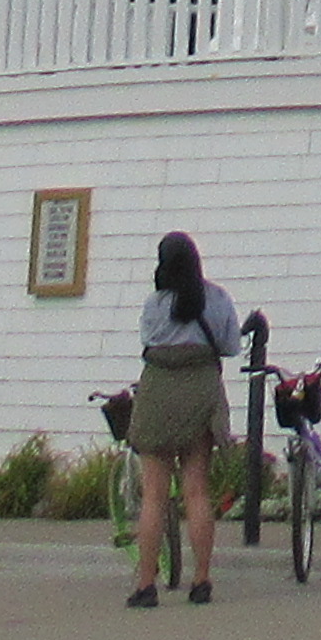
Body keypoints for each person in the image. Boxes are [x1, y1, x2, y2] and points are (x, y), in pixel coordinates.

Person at [123, 231, 240, 608]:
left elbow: (148, 340)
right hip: (201, 391)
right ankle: (201, 580)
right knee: (196, 491)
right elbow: (231, 346)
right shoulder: (218, 298)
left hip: (158, 392)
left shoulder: (154, 304)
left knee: (154, 496)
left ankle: (145, 586)